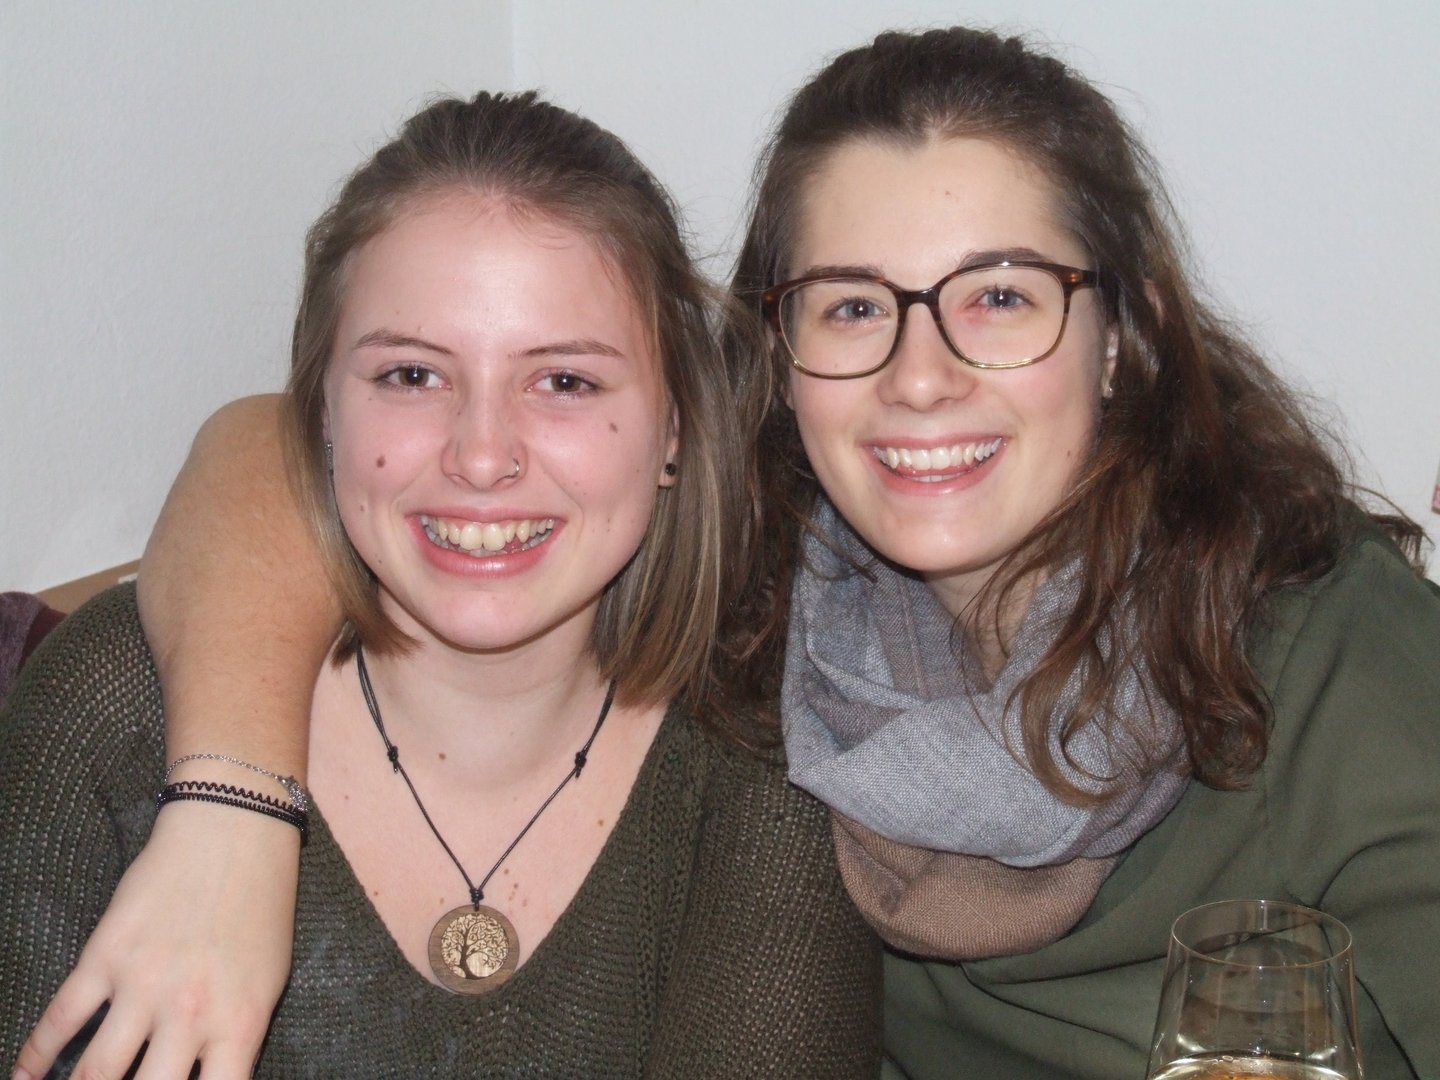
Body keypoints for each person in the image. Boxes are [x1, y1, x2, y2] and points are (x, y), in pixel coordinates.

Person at [13, 24, 1440, 1080]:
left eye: (1001, 297)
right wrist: (230, 800)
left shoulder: (1321, 655)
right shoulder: (798, 655)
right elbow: (262, 455)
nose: (922, 375)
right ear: (776, 359)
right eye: (853, 305)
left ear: (1124, 336)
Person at [0, 90, 880, 1078]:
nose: (482, 454)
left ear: (673, 430)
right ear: (322, 411)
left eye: (565, 381)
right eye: (412, 376)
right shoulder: (115, 709)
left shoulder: (771, 749)